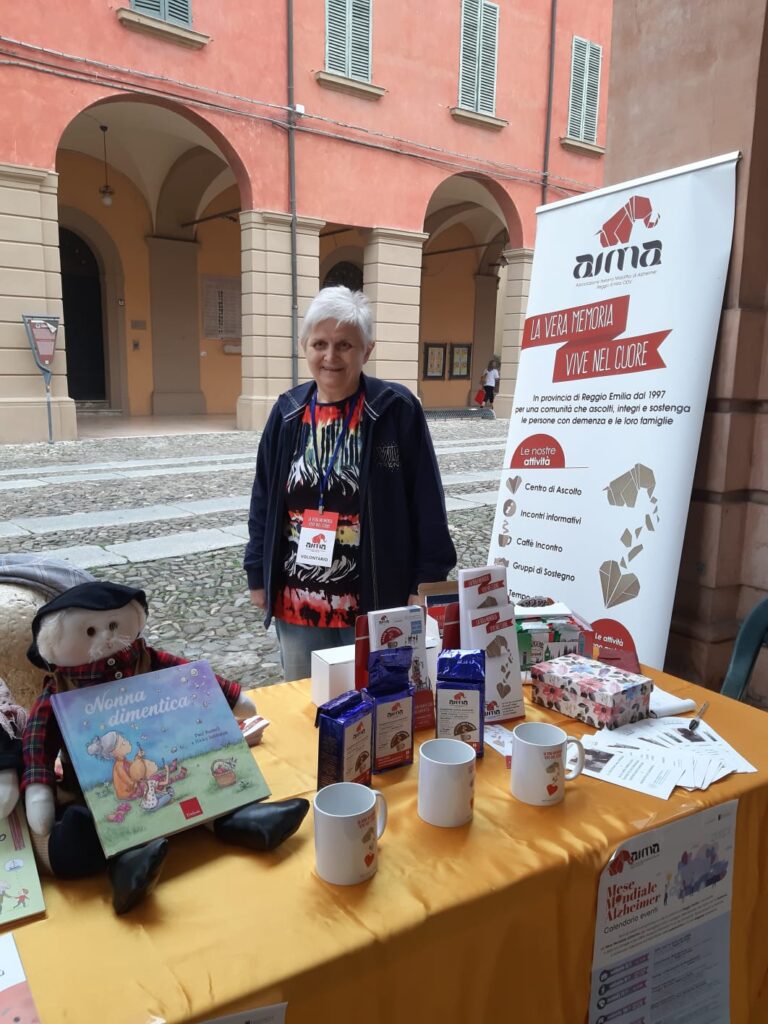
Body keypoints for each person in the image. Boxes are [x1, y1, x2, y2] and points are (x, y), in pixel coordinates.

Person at [244, 286, 457, 682]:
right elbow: (264, 499)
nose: (330, 356)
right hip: (298, 600)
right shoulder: (287, 412)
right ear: (304, 347)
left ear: (367, 350)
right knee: (307, 709)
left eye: (344, 344)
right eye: (320, 343)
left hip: (377, 600)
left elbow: (427, 503)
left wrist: (424, 584)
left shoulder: (395, 410)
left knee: (379, 705)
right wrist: (257, 572)